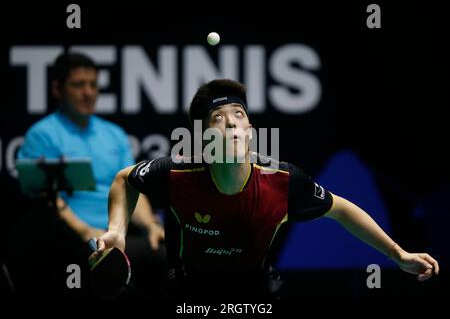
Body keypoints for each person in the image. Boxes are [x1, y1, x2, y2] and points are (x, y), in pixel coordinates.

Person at [94, 79, 439, 300]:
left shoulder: (284, 180)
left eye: (238, 113)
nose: (230, 121)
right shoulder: (177, 173)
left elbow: (342, 210)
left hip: (254, 292)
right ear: (203, 138)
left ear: (251, 129)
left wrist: (398, 255)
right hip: (187, 292)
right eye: (217, 117)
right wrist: (117, 232)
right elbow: (125, 179)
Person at [15, 52, 166, 297]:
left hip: (117, 235)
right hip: (72, 239)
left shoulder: (114, 134)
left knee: (165, 256)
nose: (88, 92)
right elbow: (47, 198)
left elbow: (131, 189)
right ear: (57, 89)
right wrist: (87, 232)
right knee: (115, 275)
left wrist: (151, 225)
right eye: (78, 85)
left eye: (93, 85)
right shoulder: (42, 134)